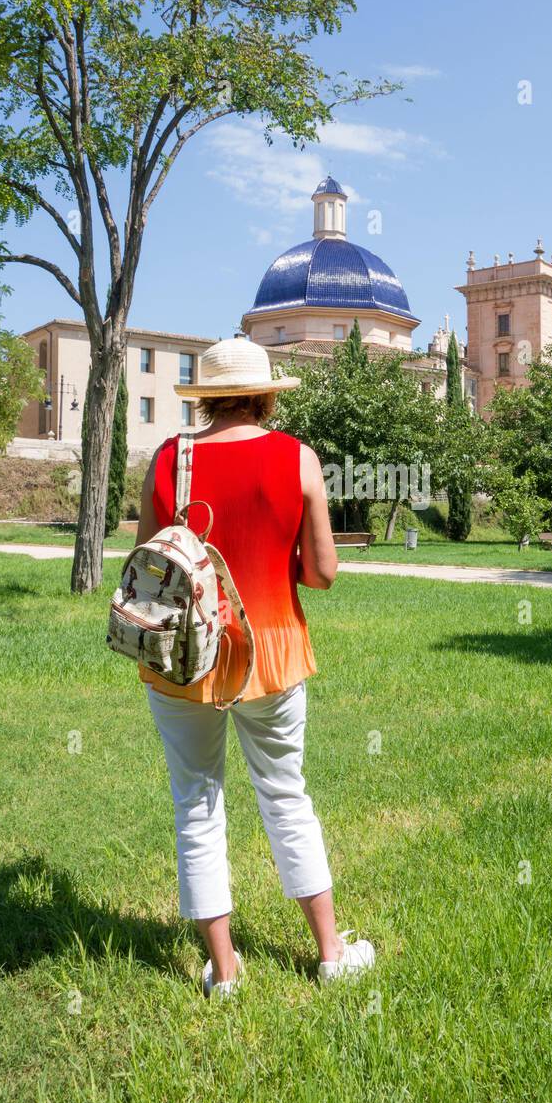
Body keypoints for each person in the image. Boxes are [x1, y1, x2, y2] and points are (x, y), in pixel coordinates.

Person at [136, 335, 375, 997]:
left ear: (205, 398)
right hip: (268, 649)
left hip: (185, 654)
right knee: (285, 793)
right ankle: (329, 952)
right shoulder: (297, 457)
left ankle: (226, 968)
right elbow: (322, 573)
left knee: (196, 801)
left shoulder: (168, 457)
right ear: (267, 394)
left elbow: (147, 563)